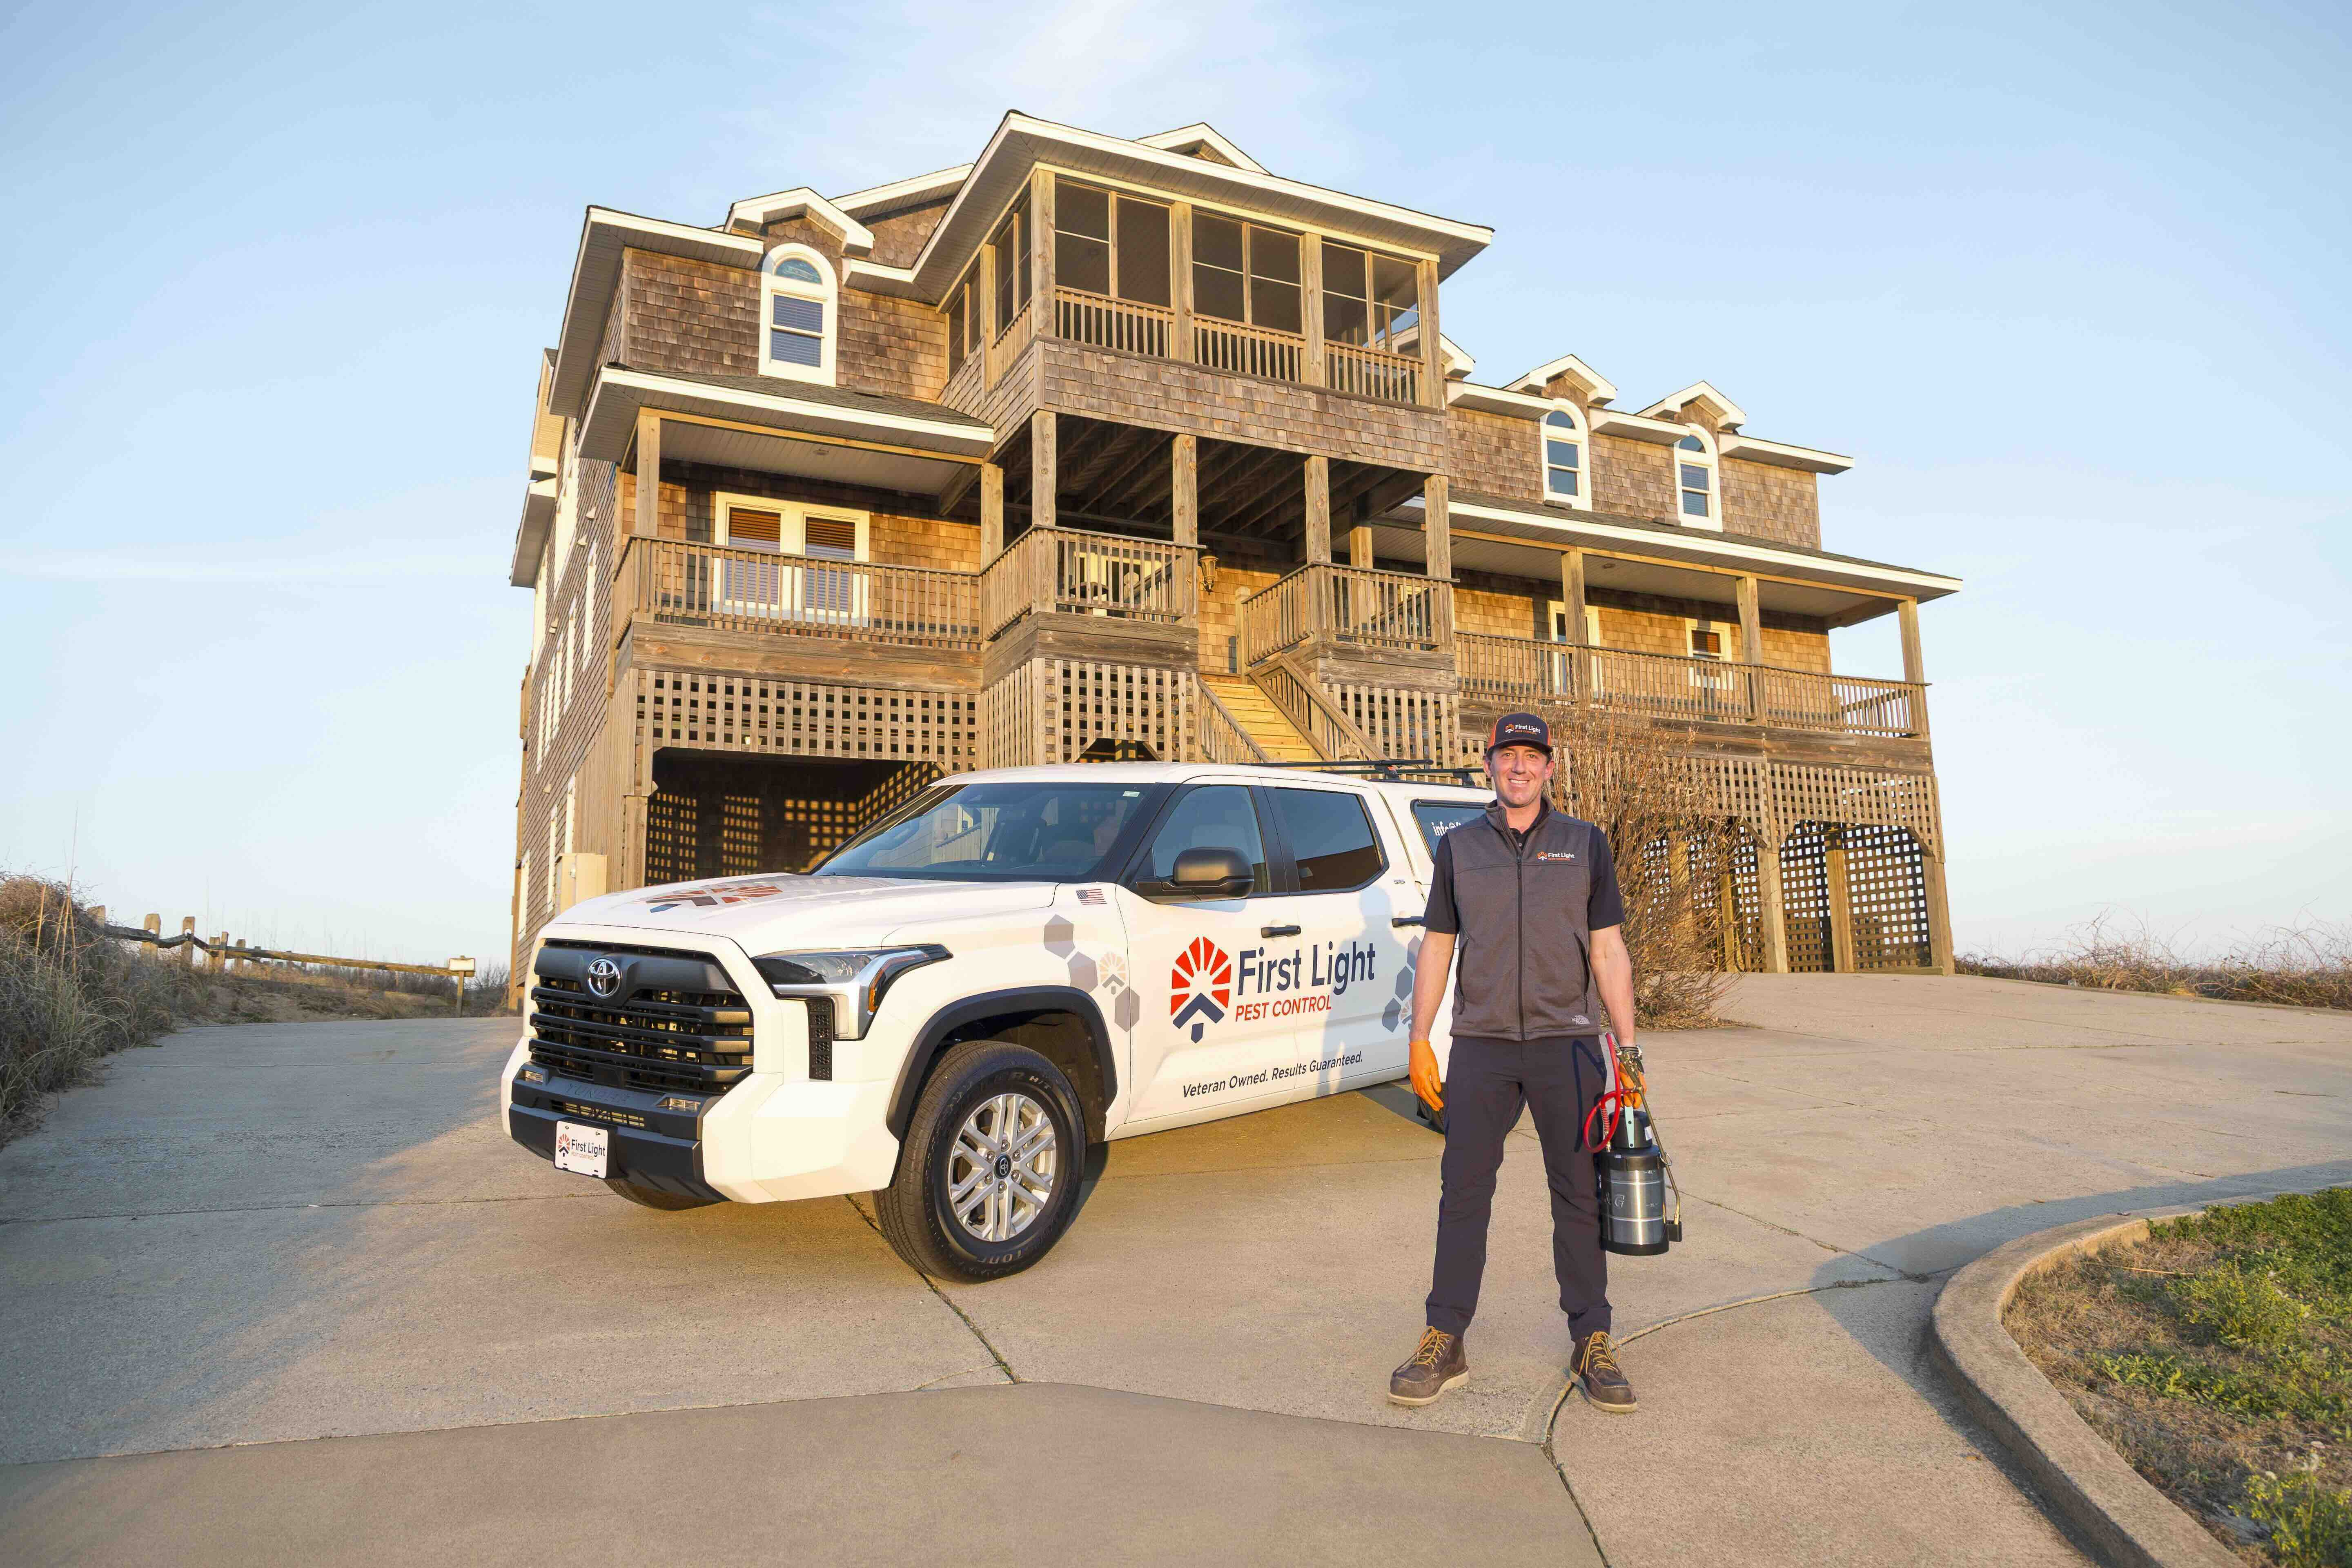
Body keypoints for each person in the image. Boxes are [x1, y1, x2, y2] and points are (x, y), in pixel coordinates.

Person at [1388, 712, 1641, 1415]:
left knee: (1579, 1198)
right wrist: (1420, 1038)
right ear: (1490, 766)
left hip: (1568, 1045)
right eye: (1508, 757)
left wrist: (1628, 1047)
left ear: (1550, 768)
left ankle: (1592, 1339)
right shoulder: (1459, 849)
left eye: (1532, 757)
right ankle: (1446, 1336)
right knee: (1463, 1195)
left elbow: (1609, 950)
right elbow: (1438, 946)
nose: (1519, 768)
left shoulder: (1585, 845)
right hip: (1482, 1047)